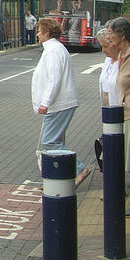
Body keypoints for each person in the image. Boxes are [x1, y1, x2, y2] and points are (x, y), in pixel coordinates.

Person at [32, 17, 90, 187]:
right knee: (57, 142)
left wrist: (46, 102)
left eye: (39, 31)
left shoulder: (53, 51)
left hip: (58, 104)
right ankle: (61, 181)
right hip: (60, 103)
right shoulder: (54, 49)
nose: (37, 35)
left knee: (49, 142)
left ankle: (79, 169)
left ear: (47, 33)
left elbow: (54, 79)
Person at [107, 17, 130, 216]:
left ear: (122, 35)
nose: (108, 36)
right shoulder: (123, 56)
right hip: (126, 113)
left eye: (110, 32)